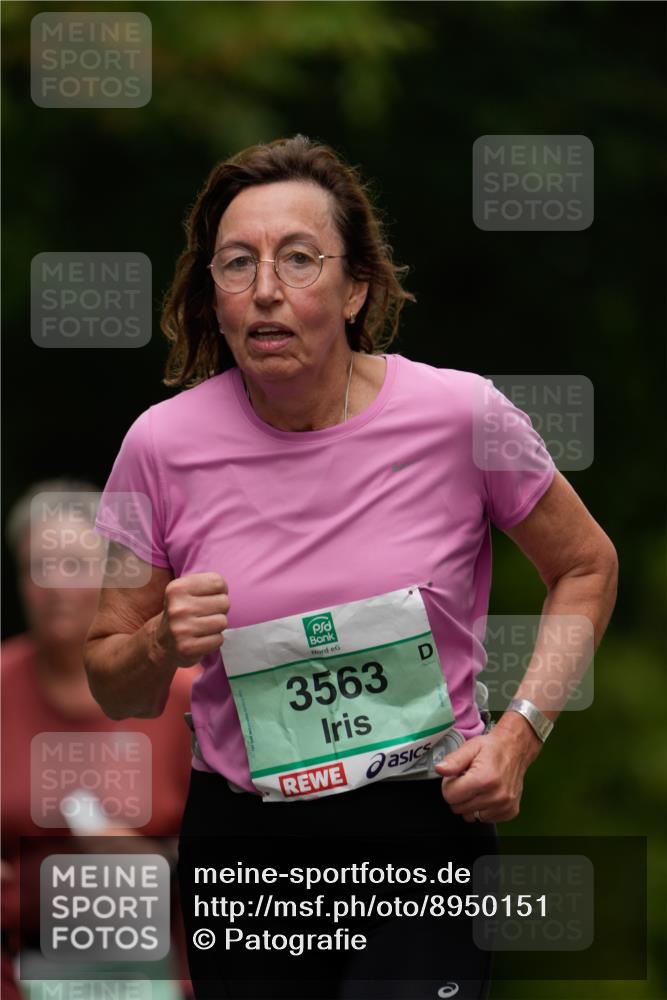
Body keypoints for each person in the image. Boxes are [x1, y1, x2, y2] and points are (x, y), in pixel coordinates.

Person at [84, 135, 618, 1000]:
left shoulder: (459, 415)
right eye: (236, 263)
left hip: (420, 823)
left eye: (298, 260)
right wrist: (156, 642)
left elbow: (586, 567)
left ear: (355, 286)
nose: (265, 289)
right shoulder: (162, 446)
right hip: (248, 841)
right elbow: (115, 684)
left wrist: (520, 734)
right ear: (211, 296)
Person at [2, 480, 196, 1000]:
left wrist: (147, 859)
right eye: (34, 568)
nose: (53, 587)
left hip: (165, 961)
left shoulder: (184, 693)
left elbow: (242, 854)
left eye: (72, 565)